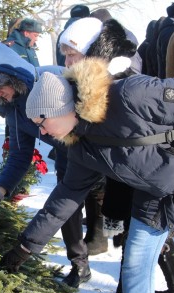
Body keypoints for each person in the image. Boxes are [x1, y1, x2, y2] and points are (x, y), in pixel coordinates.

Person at [0, 57, 174, 293]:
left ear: (60, 108)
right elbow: (65, 198)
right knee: (135, 264)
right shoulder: (81, 148)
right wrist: (24, 247)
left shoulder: (131, 94)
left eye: (42, 123)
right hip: (155, 199)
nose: (41, 132)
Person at [0, 40, 91, 288]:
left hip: (94, 148)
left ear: (13, 77)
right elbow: (19, 154)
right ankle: (79, 265)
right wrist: (0, 189)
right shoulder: (13, 109)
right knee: (66, 209)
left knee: (105, 207)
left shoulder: (56, 80)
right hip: (67, 156)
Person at [58, 16, 137, 256]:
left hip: (133, 171)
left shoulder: (120, 81)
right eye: (66, 55)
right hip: (111, 167)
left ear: (93, 53)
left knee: (137, 234)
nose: (67, 62)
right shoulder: (82, 81)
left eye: (73, 55)